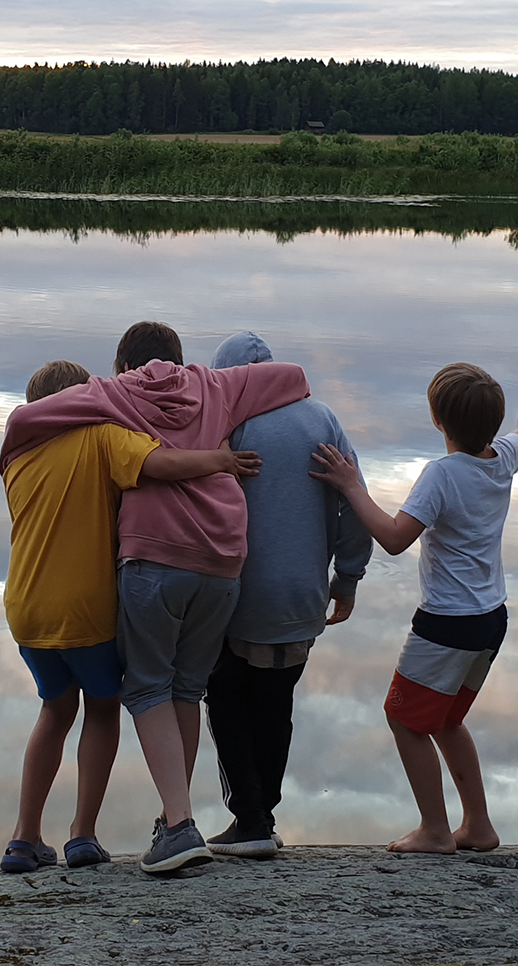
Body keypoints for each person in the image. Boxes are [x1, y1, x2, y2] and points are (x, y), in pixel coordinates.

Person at [0, 322, 311, 874]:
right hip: (157, 583)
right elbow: (289, 380)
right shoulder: (130, 423)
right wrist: (218, 451)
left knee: (63, 708)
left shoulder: (25, 456)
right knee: (146, 697)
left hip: (32, 607)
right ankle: (96, 834)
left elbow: (35, 442)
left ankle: (28, 836)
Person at [311, 329, 518, 854]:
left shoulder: (441, 475)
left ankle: (436, 830)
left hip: (447, 623)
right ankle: (478, 826)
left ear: (438, 420)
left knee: (402, 717)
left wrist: (351, 487)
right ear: (493, 422)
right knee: (446, 719)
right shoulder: (502, 458)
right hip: (491, 618)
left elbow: (394, 539)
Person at [202, 332, 373, 860]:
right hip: (301, 595)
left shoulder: (226, 424)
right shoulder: (322, 420)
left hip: (235, 594)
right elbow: (353, 504)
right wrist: (347, 578)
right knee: (276, 704)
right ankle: (263, 816)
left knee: (226, 698)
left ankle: (250, 818)